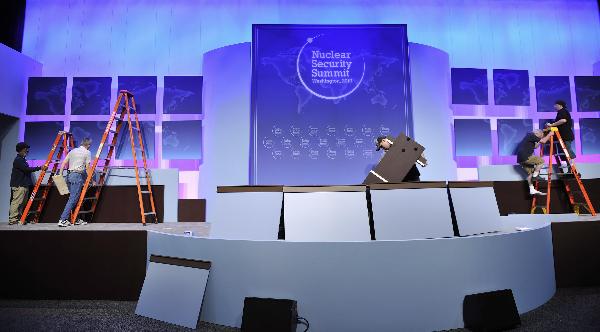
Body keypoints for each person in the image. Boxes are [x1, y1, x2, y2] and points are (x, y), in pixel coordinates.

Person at [57, 137, 93, 227]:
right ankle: (62, 219)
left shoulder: (73, 151)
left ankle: (75, 219)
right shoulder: (87, 152)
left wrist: (60, 174)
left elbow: (64, 162)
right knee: (73, 198)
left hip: (68, 176)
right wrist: (90, 179)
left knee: (75, 198)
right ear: (88, 145)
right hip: (76, 176)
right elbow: (88, 167)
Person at [9, 142, 44, 225]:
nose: (27, 151)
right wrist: (40, 167)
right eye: (25, 149)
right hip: (19, 185)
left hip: (23, 185)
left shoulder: (22, 159)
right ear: (21, 150)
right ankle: (13, 219)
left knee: (22, 203)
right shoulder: (18, 160)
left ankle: (18, 218)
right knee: (17, 202)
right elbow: (26, 169)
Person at [516, 129, 554, 195]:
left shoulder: (529, 137)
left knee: (530, 174)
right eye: (541, 135)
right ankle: (535, 176)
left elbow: (535, 147)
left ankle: (532, 189)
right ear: (537, 133)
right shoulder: (532, 135)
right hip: (525, 156)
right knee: (541, 161)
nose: (541, 137)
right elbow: (544, 141)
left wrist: (539, 141)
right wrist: (549, 134)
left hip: (520, 159)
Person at [545, 100, 575, 172]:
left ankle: (572, 169)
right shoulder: (560, 112)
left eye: (555, 105)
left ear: (560, 105)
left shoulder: (563, 111)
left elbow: (563, 120)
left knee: (568, 153)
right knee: (564, 154)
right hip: (562, 137)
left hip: (566, 136)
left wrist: (552, 125)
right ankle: (569, 170)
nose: (554, 106)